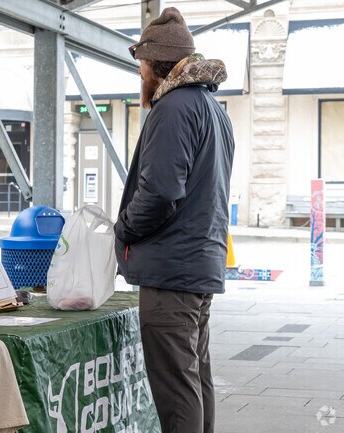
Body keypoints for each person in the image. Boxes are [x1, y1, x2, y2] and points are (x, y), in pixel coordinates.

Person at [113, 7, 235, 433]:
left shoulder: (173, 107)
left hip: (172, 272)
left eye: (141, 64)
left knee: (177, 390)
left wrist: (124, 228)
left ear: (153, 64)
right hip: (198, 265)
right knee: (194, 379)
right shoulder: (211, 108)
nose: (140, 73)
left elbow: (162, 191)